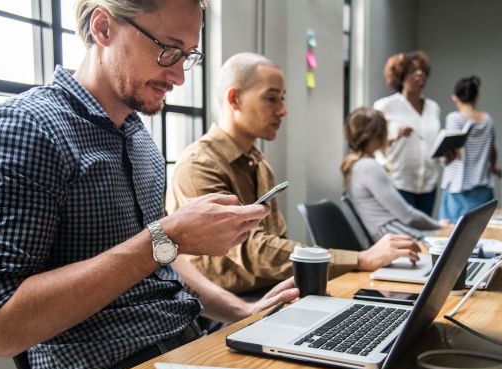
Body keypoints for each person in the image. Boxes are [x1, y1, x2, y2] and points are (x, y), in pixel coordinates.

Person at [0, 2, 299, 369]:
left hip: (186, 348)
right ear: (102, 28)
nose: (179, 76)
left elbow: (163, 256)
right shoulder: (23, 131)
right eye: (168, 48)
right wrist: (166, 237)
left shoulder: (140, 140)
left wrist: (241, 313)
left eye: (188, 55)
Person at [166, 52, 421, 299]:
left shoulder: (259, 163)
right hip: (225, 306)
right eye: (271, 98)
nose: (283, 110)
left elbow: (276, 243)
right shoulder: (199, 166)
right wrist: (360, 259)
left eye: (282, 99)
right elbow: (251, 250)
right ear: (234, 99)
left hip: (270, 289)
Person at [341, 107, 451, 241]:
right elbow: (408, 215)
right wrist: (439, 226)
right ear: (377, 135)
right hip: (395, 235)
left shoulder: (357, 165)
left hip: (393, 233)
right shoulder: (368, 166)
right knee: (457, 239)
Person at [374, 51, 441, 216]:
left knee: (423, 236)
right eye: (413, 71)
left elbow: (432, 144)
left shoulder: (434, 108)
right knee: (403, 236)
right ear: (400, 77)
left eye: (423, 70)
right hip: (398, 183)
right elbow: (374, 144)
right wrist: (394, 137)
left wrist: (447, 154)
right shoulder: (384, 107)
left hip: (428, 184)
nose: (420, 74)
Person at [439, 76, 502, 223]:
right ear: (477, 96)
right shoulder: (487, 120)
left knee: (452, 235)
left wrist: (443, 159)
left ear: (455, 98)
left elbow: (454, 150)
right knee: (481, 231)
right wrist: (493, 168)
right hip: (482, 186)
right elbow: (492, 150)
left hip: (458, 187)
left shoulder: (454, 118)